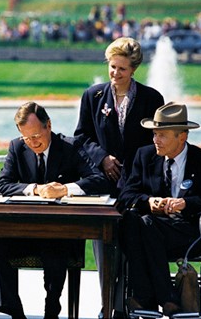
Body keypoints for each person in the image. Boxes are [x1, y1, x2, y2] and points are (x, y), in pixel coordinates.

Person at [0, 101, 109, 319]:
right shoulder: (17, 147)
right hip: (25, 232)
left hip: (62, 233)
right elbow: (1, 185)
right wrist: (35, 189)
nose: (33, 143)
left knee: (54, 248)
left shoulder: (71, 147)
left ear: (48, 125)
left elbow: (98, 180)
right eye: (27, 138)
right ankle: (14, 312)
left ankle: (52, 310)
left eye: (36, 136)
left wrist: (65, 190)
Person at [74, 36, 164, 318]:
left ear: (133, 69)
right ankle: (106, 305)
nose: (115, 74)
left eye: (121, 69)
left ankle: (132, 303)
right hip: (103, 183)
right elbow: (81, 137)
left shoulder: (151, 98)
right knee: (103, 244)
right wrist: (102, 157)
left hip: (137, 185)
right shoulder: (93, 96)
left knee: (132, 240)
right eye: (112, 67)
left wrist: (134, 167)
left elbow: (156, 142)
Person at [118, 102, 201, 317]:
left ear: (182, 137)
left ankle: (146, 298)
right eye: (154, 134)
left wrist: (186, 203)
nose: (155, 140)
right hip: (150, 228)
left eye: (162, 135)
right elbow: (126, 195)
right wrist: (149, 201)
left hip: (187, 231)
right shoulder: (144, 156)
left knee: (142, 225)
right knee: (133, 220)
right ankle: (167, 299)